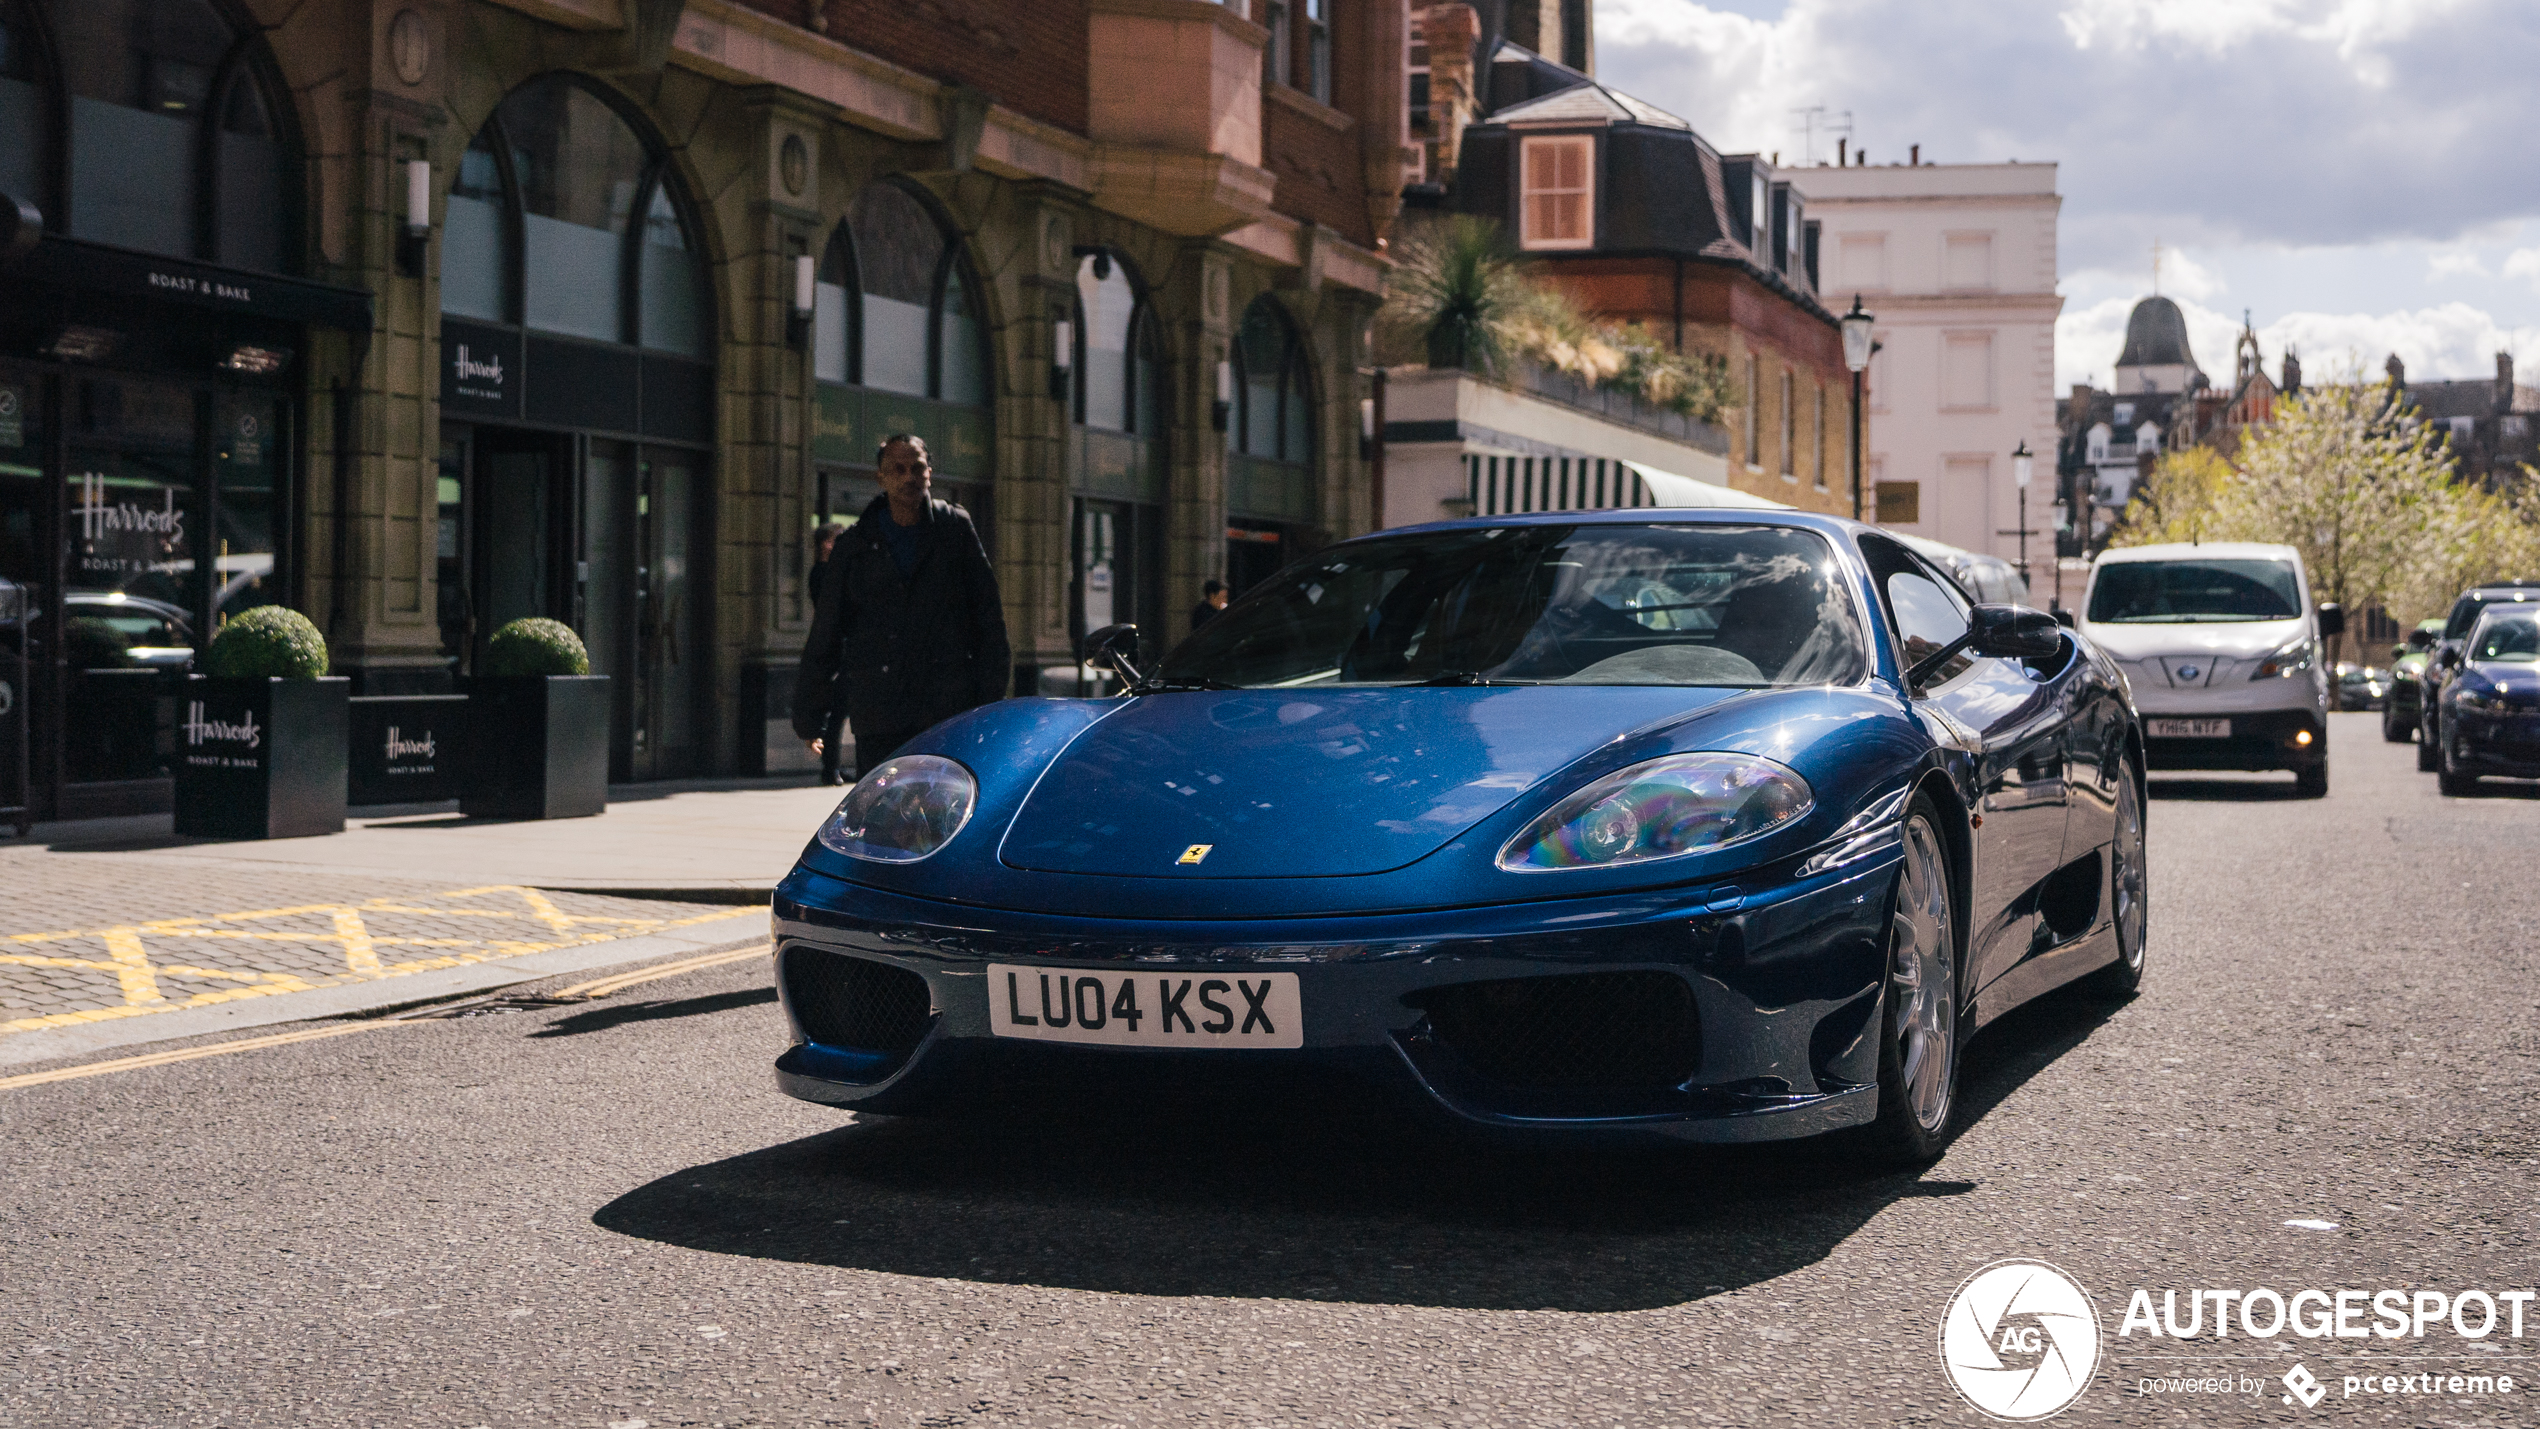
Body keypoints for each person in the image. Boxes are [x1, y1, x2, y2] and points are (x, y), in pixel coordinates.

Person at [794, 436, 1010, 781]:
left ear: (929, 474)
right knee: (886, 820)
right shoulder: (855, 544)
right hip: (879, 712)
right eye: (897, 469)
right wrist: (809, 715)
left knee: (944, 816)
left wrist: (988, 703)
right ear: (881, 478)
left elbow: (989, 619)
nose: (909, 477)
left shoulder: (954, 529)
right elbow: (827, 631)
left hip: (946, 710)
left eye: (917, 468)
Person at [804, 521, 849, 784]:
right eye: (837, 538)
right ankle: (829, 767)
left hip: (839, 647)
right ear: (826, 543)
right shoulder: (822, 573)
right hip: (832, 650)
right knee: (834, 710)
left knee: (841, 711)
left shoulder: (833, 572)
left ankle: (833, 765)